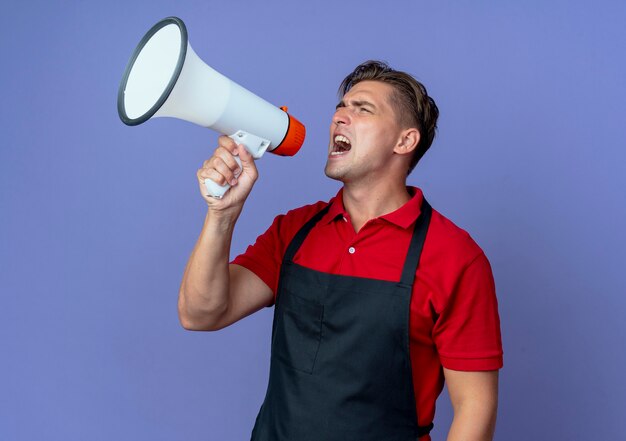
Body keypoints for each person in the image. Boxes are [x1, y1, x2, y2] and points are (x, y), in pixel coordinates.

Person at [178, 60, 503, 441]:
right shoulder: (295, 230)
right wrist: (222, 214)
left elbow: (475, 406)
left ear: (405, 141)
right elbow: (200, 314)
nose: (338, 118)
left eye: (362, 109)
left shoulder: (454, 256)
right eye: (340, 108)